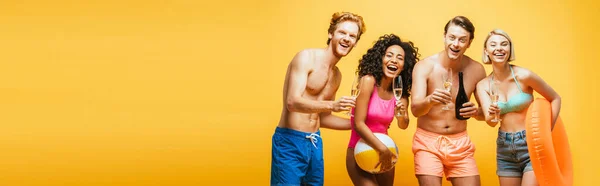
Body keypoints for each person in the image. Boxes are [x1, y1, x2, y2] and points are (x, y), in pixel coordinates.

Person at [270, 12, 367, 186]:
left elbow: (323, 117)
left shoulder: (337, 75)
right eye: (342, 33)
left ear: (355, 42)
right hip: (290, 142)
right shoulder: (306, 58)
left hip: (315, 143)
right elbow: (292, 102)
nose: (347, 39)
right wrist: (333, 104)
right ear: (331, 34)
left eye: (352, 36)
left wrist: (359, 125)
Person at [475, 29, 561, 186]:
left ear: (509, 49)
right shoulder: (483, 85)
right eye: (493, 45)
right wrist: (492, 114)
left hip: (530, 142)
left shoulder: (524, 76)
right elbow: (491, 121)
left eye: (504, 44)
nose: (499, 48)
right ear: (486, 51)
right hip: (504, 147)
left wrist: (546, 132)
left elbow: (555, 98)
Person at [410, 16, 487, 186]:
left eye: (462, 40)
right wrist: (430, 100)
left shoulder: (476, 70)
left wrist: (475, 112)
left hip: (460, 144)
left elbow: (486, 115)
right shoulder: (425, 66)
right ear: (444, 36)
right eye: (452, 37)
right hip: (427, 142)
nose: (456, 44)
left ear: (469, 42)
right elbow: (415, 110)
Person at [345, 34, 419, 186]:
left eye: (399, 58)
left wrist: (401, 115)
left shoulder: (400, 93)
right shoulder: (368, 81)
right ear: (381, 59)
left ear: (404, 66)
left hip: (385, 150)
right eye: (389, 55)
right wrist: (382, 149)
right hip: (360, 150)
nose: (394, 60)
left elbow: (403, 125)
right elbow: (358, 124)